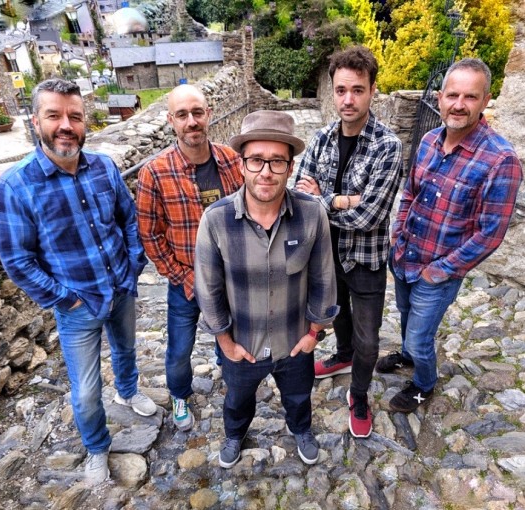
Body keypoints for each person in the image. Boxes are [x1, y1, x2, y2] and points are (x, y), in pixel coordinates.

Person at [0, 78, 156, 486]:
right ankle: (97, 447)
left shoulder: (104, 167)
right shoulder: (16, 186)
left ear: (85, 122)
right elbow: (17, 260)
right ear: (36, 121)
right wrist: (67, 300)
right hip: (76, 305)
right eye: (54, 115)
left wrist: (133, 266)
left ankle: (128, 391)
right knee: (84, 390)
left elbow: (128, 219)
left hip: (120, 287)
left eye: (75, 116)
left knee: (127, 348)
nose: (66, 125)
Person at [194, 110, 339, 469]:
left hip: (294, 339)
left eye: (277, 161)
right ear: (241, 164)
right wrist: (225, 341)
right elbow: (208, 288)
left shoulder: (312, 214)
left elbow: (323, 277)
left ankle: (301, 429)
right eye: (256, 160)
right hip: (243, 342)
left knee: (298, 395)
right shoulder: (216, 219)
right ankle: (234, 434)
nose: (266, 171)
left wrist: (314, 333)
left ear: (290, 167)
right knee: (237, 398)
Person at [377, 58, 523, 413]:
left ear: (485, 100)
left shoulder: (501, 159)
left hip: (438, 273)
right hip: (405, 257)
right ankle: (408, 354)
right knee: (406, 315)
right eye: (453, 95)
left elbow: (490, 234)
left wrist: (440, 270)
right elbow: (409, 191)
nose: (459, 104)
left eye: (470, 97)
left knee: (420, 336)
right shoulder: (429, 140)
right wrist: (397, 231)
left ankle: (424, 383)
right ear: (440, 98)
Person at [295, 46, 403, 438]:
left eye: (357, 90)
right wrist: (343, 200)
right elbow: (300, 198)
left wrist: (324, 199)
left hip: (366, 257)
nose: (348, 99)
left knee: (368, 340)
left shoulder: (387, 146)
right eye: (341, 90)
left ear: (372, 90)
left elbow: (370, 217)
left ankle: (358, 394)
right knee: (336, 313)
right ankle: (342, 356)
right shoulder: (321, 138)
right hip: (325, 253)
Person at [136, 84, 244, 432]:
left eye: (197, 112)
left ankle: (231, 376)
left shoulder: (232, 160)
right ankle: (180, 394)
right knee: (180, 348)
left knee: (230, 334)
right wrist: (182, 277)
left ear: (208, 114)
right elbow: (150, 234)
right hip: (185, 280)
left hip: (229, 278)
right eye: (182, 115)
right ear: (171, 121)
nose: (191, 121)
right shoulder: (155, 172)